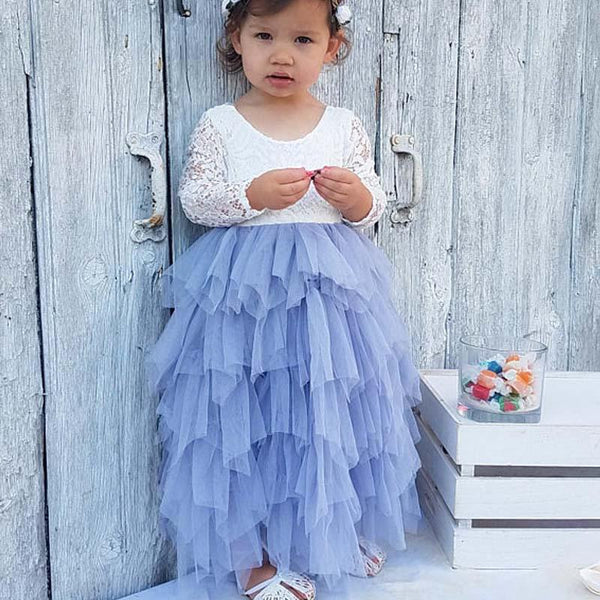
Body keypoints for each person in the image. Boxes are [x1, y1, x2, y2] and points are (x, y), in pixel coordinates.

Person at [144, 0, 423, 598]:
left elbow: (370, 206)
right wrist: (252, 194)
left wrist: (356, 198)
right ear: (236, 38)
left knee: (331, 415)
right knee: (248, 423)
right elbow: (197, 200)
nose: (281, 55)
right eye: (264, 35)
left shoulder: (342, 124)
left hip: (331, 308)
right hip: (245, 307)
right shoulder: (221, 124)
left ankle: (335, 531)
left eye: (302, 40)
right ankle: (254, 560)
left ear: (332, 48)